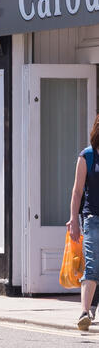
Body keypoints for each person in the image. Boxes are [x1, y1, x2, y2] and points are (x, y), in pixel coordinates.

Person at [67, 113, 99, 330]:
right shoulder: (87, 156)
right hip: (92, 219)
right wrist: (74, 220)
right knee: (92, 266)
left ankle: (92, 304)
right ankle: (84, 313)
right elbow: (77, 192)